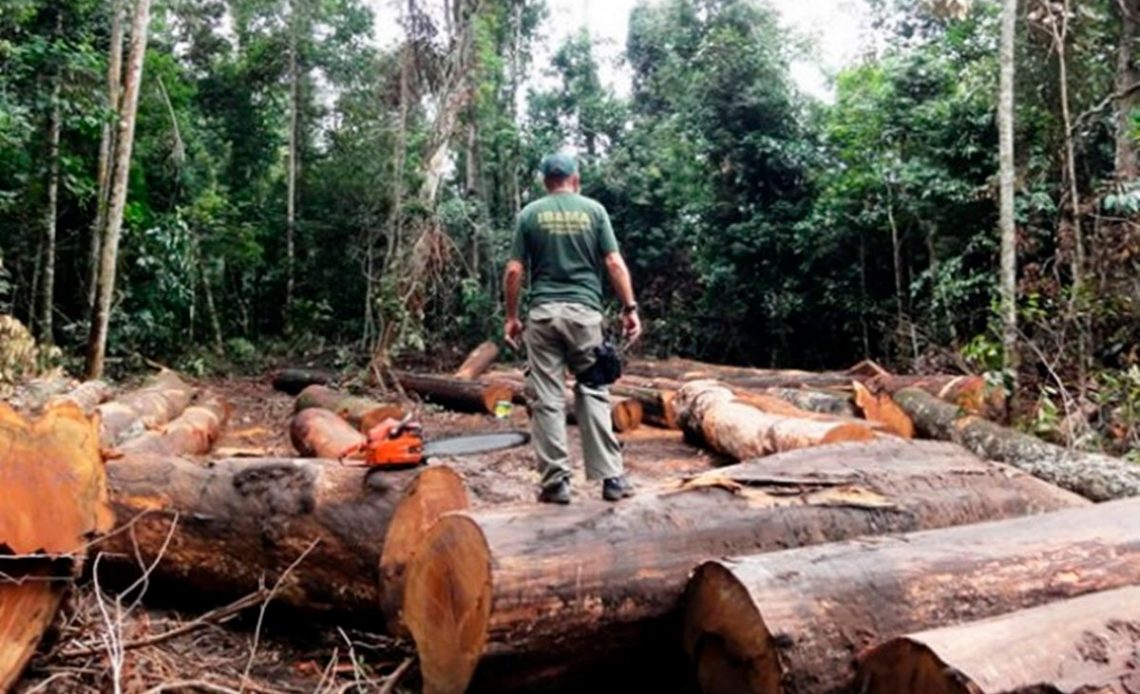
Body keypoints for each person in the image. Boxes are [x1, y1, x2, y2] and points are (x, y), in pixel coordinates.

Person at [503, 151, 642, 504]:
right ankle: (611, 479)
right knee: (594, 391)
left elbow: (514, 271)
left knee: (547, 398)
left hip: (544, 316)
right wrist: (630, 308)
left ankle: (555, 484)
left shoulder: (530, 214)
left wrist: (512, 317)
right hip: (585, 316)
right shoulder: (594, 211)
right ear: (575, 178)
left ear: (545, 181)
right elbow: (613, 262)